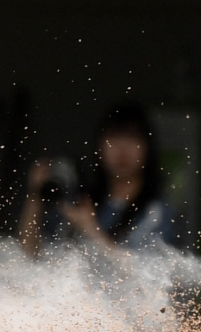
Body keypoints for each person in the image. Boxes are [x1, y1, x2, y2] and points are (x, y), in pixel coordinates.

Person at [62, 103, 176, 251]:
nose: (122, 149)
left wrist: (91, 230)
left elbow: (144, 272)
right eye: (114, 137)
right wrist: (35, 198)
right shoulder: (83, 203)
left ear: (147, 148)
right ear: (99, 147)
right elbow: (33, 261)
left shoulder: (156, 212)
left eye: (132, 137)